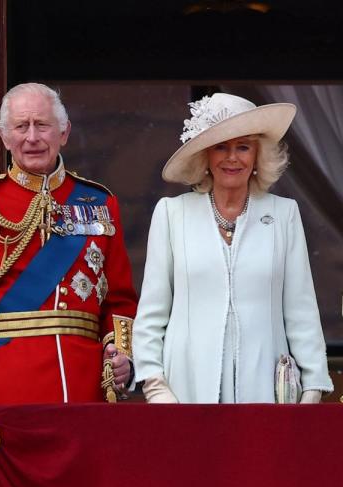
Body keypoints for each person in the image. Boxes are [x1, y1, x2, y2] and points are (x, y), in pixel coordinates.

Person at [0, 83, 138, 404]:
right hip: (9, 383)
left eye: (42, 125)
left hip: (86, 384)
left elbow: (120, 299)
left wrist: (122, 357)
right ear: (4, 136)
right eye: (21, 126)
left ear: (64, 132)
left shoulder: (100, 202)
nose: (32, 137)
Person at [133, 93, 333, 404]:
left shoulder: (284, 214)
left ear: (257, 155)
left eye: (243, 146)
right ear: (205, 156)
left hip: (266, 389)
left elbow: (301, 310)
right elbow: (152, 313)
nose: (232, 158)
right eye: (221, 147)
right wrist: (156, 386)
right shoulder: (172, 214)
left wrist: (312, 387)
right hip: (185, 390)